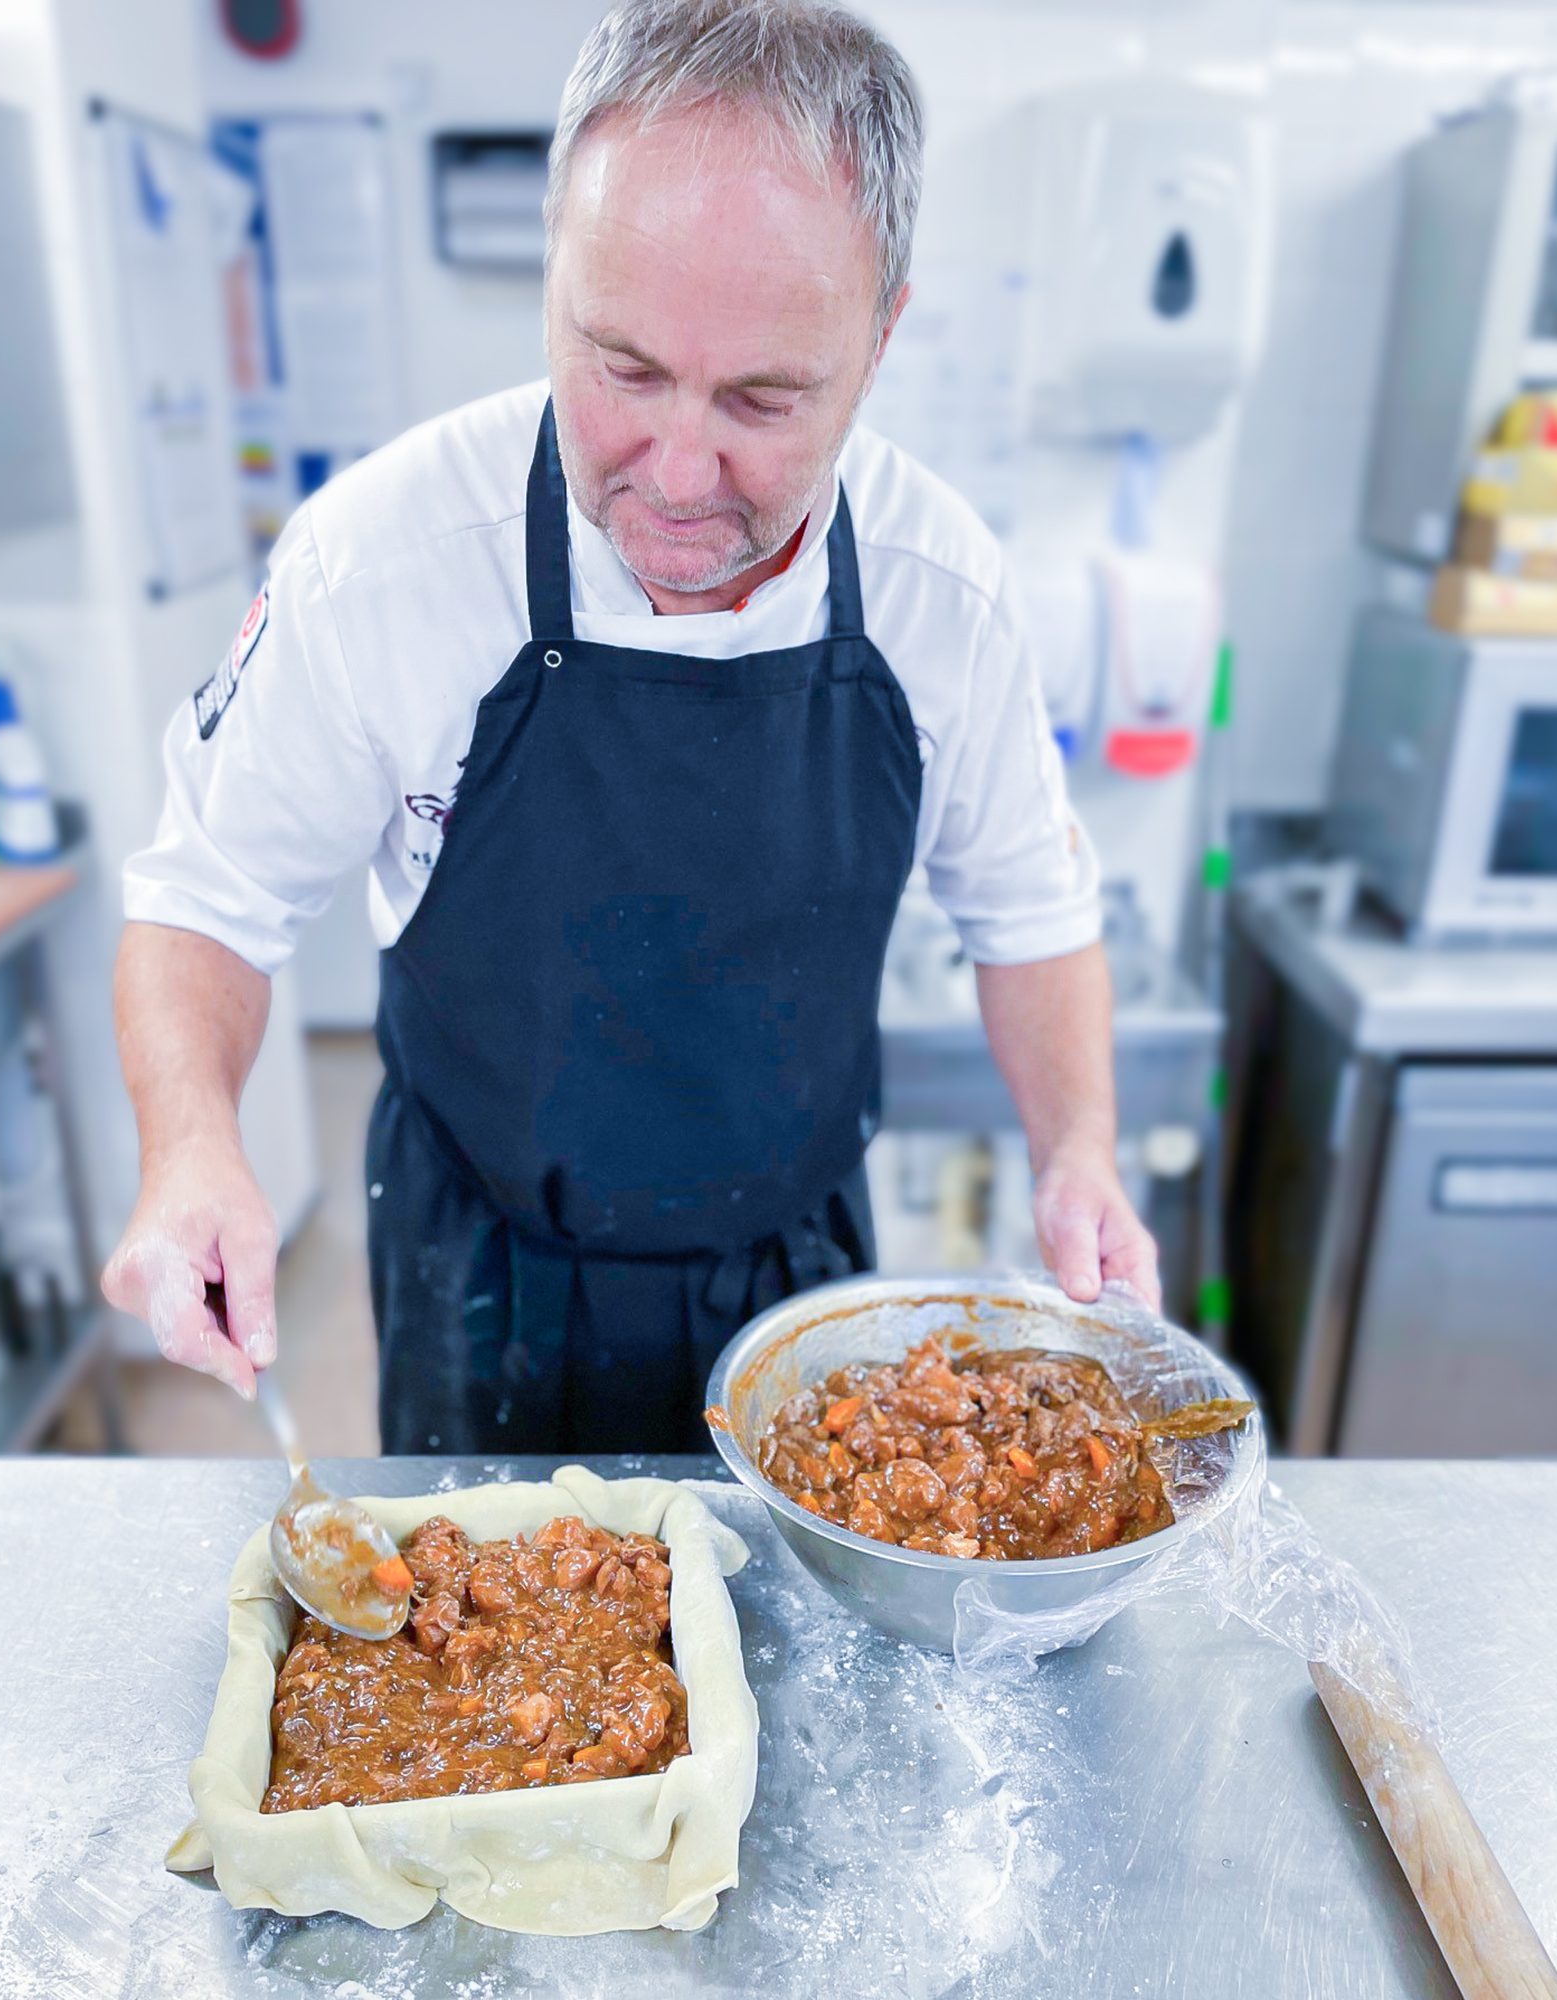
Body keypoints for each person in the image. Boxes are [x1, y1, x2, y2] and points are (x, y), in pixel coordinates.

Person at [103, 0, 1159, 1454]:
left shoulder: (940, 592)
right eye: (623, 368)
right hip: (482, 1260)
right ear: (557, 277)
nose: (675, 470)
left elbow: (1033, 914)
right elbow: (204, 903)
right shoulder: (388, 560)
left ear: (882, 329)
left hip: (800, 1271)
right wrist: (191, 1149)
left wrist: (1079, 1151)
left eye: (762, 399)